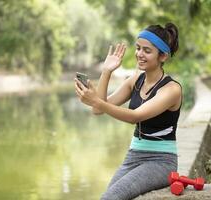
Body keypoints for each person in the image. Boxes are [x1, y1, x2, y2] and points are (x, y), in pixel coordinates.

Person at [74, 22, 181, 200]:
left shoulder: (171, 89)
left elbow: (134, 116)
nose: (140, 54)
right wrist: (107, 71)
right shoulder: (136, 80)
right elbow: (97, 109)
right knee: (107, 197)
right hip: (134, 156)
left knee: (111, 198)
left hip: (161, 161)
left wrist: (96, 101)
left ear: (162, 56)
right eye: (138, 48)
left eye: (147, 51)